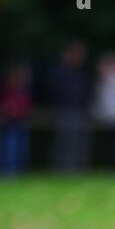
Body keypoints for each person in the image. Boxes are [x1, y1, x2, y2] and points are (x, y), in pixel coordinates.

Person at [49, 41, 91, 172]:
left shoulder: (82, 73)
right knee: (65, 142)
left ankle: (78, 168)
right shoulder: (59, 72)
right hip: (64, 111)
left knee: (80, 142)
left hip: (81, 111)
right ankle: (63, 168)